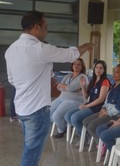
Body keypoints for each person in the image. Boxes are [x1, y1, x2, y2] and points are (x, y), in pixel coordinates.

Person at [5, 10, 93, 166]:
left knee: (30, 148)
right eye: (45, 26)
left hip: (22, 108)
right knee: (31, 154)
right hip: (37, 110)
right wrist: (86, 46)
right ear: (36, 27)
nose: (47, 30)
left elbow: (12, 79)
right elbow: (69, 54)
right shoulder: (39, 48)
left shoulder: (11, 50)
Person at [64, 60, 110, 144]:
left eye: (101, 68)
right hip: (88, 105)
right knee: (68, 116)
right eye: (96, 67)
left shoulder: (105, 82)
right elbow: (86, 96)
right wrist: (83, 86)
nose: (98, 70)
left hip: (97, 108)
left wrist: (86, 106)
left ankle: (84, 137)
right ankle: (84, 134)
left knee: (75, 118)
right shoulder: (93, 80)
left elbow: (101, 99)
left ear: (104, 70)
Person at [82, 63, 120, 141]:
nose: (114, 74)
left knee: (92, 126)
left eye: (117, 72)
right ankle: (99, 141)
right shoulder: (113, 86)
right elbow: (107, 101)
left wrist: (106, 113)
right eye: (114, 71)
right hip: (106, 111)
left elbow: (119, 108)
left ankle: (102, 144)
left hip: (114, 115)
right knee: (85, 122)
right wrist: (103, 109)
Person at [50, 58, 88, 138]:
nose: (76, 66)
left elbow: (71, 88)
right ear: (72, 65)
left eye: (79, 64)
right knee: (48, 111)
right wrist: (68, 88)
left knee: (56, 115)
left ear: (82, 67)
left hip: (74, 100)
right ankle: (65, 124)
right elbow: (58, 87)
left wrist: (66, 87)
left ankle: (61, 130)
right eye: (74, 64)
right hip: (62, 97)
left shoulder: (82, 77)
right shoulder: (68, 75)